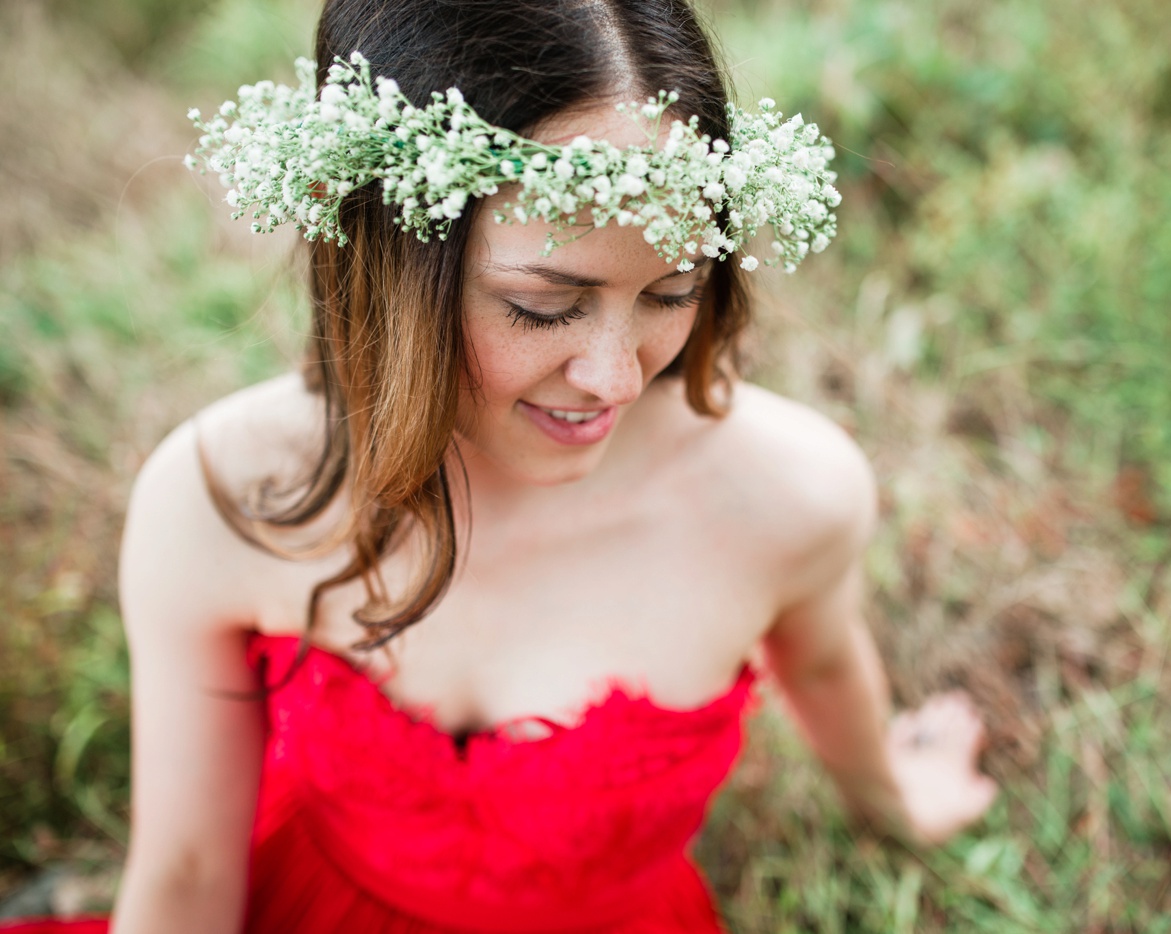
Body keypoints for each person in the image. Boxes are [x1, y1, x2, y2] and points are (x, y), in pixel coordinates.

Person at [1, 0, 997, 931]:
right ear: (385, 249)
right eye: (541, 304)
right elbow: (182, 877)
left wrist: (895, 799)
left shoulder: (787, 494)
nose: (611, 377)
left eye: (670, 289)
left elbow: (821, 661)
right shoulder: (222, 500)